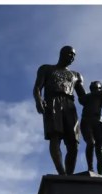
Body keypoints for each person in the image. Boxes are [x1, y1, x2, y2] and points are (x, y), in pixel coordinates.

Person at [33, 46, 86, 175]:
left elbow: (83, 98)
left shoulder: (76, 75)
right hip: (53, 102)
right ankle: (61, 173)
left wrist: (98, 98)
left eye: (74, 55)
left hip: (70, 105)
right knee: (55, 137)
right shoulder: (46, 69)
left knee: (74, 143)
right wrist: (39, 101)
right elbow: (37, 88)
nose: (72, 57)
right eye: (70, 54)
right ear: (62, 54)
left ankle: (69, 175)